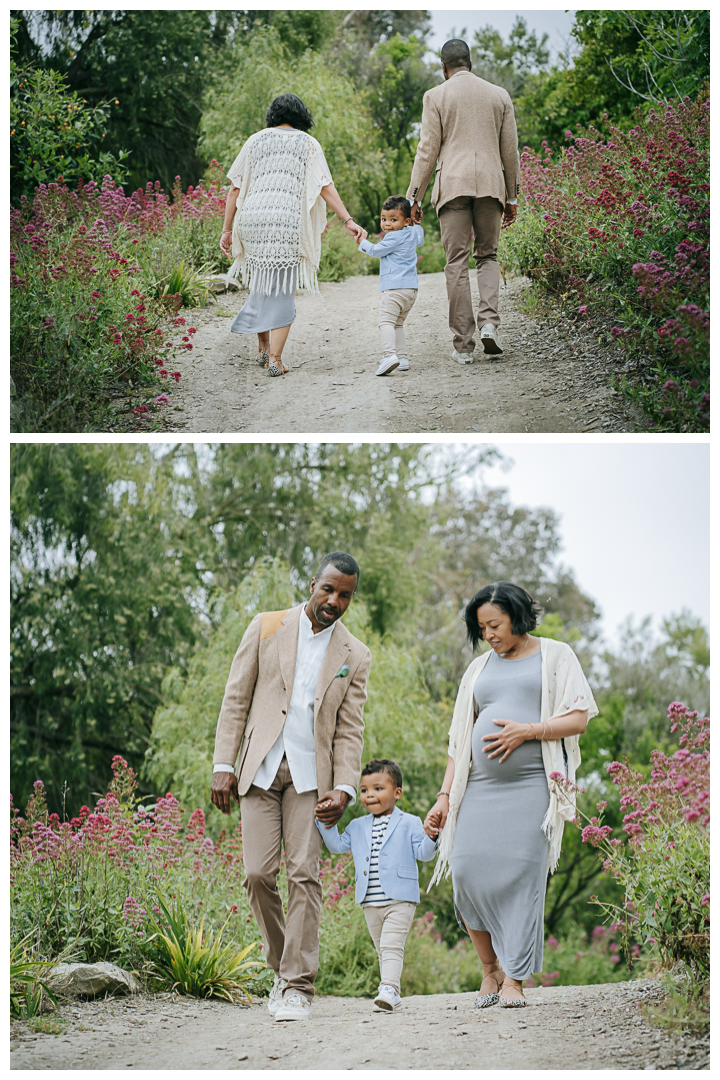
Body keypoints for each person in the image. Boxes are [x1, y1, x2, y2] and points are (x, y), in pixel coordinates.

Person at [210, 552, 371, 1023]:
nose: (334, 600)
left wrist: (344, 786)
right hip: (258, 769)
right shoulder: (266, 626)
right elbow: (236, 697)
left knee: (304, 873)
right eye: (328, 589)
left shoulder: (355, 654)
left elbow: (350, 728)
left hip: (310, 779)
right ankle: (283, 967)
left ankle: (297, 984)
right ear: (312, 583)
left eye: (345, 595)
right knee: (258, 876)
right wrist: (224, 763)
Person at [423, 582, 597, 1008]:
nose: (489, 635)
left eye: (495, 625)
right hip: (479, 788)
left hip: (531, 787)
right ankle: (489, 970)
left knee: (522, 879)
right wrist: (444, 796)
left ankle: (515, 981)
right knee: (463, 872)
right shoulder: (479, 669)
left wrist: (530, 731)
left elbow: (578, 718)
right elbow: (459, 741)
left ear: (518, 617)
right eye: (482, 628)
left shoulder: (556, 656)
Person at [219, 94, 364, 377]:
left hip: (252, 221)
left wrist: (227, 230)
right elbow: (324, 185)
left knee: (260, 283)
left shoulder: (255, 140)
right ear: (302, 116)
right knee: (283, 291)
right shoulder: (309, 144)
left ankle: (262, 349)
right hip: (287, 223)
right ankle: (275, 360)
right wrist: (348, 220)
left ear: (272, 114)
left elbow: (235, 188)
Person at [406, 39, 520, 364]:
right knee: (488, 256)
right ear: (471, 63)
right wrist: (511, 196)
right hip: (490, 185)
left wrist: (413, 197)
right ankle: (489, 325)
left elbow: (427, 150)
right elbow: (509, 151)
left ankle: (464, 346)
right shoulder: (499, 95)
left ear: (444, 68)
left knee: (456, 262)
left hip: (452, 185)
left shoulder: (436, 96)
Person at [316, 758, 438, 1011]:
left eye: (378, 789)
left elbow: (424, 854)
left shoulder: (410, 822)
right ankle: (391, 990)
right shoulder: (357, 826)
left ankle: (389, 989)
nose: (370, 795)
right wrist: (322, 821)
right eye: (364, 790)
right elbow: (337, 845)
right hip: (369, 901)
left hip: (400, 900)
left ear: (397, 792)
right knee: (383, 949)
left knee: (392, 945)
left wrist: (431, 835)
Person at [355, 196, 424, 376]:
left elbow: (376, 251)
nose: (387, 224)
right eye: (384, 219)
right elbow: (420, 238)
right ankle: (402, 358)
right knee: (398, 324)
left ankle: (389, 356)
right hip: (411, 290)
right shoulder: (413, 233)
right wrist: (417, 224)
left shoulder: (393, 237)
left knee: (385, 322)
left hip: (395, 290)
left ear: (406, 221)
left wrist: (362, 242)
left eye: (394, 220)